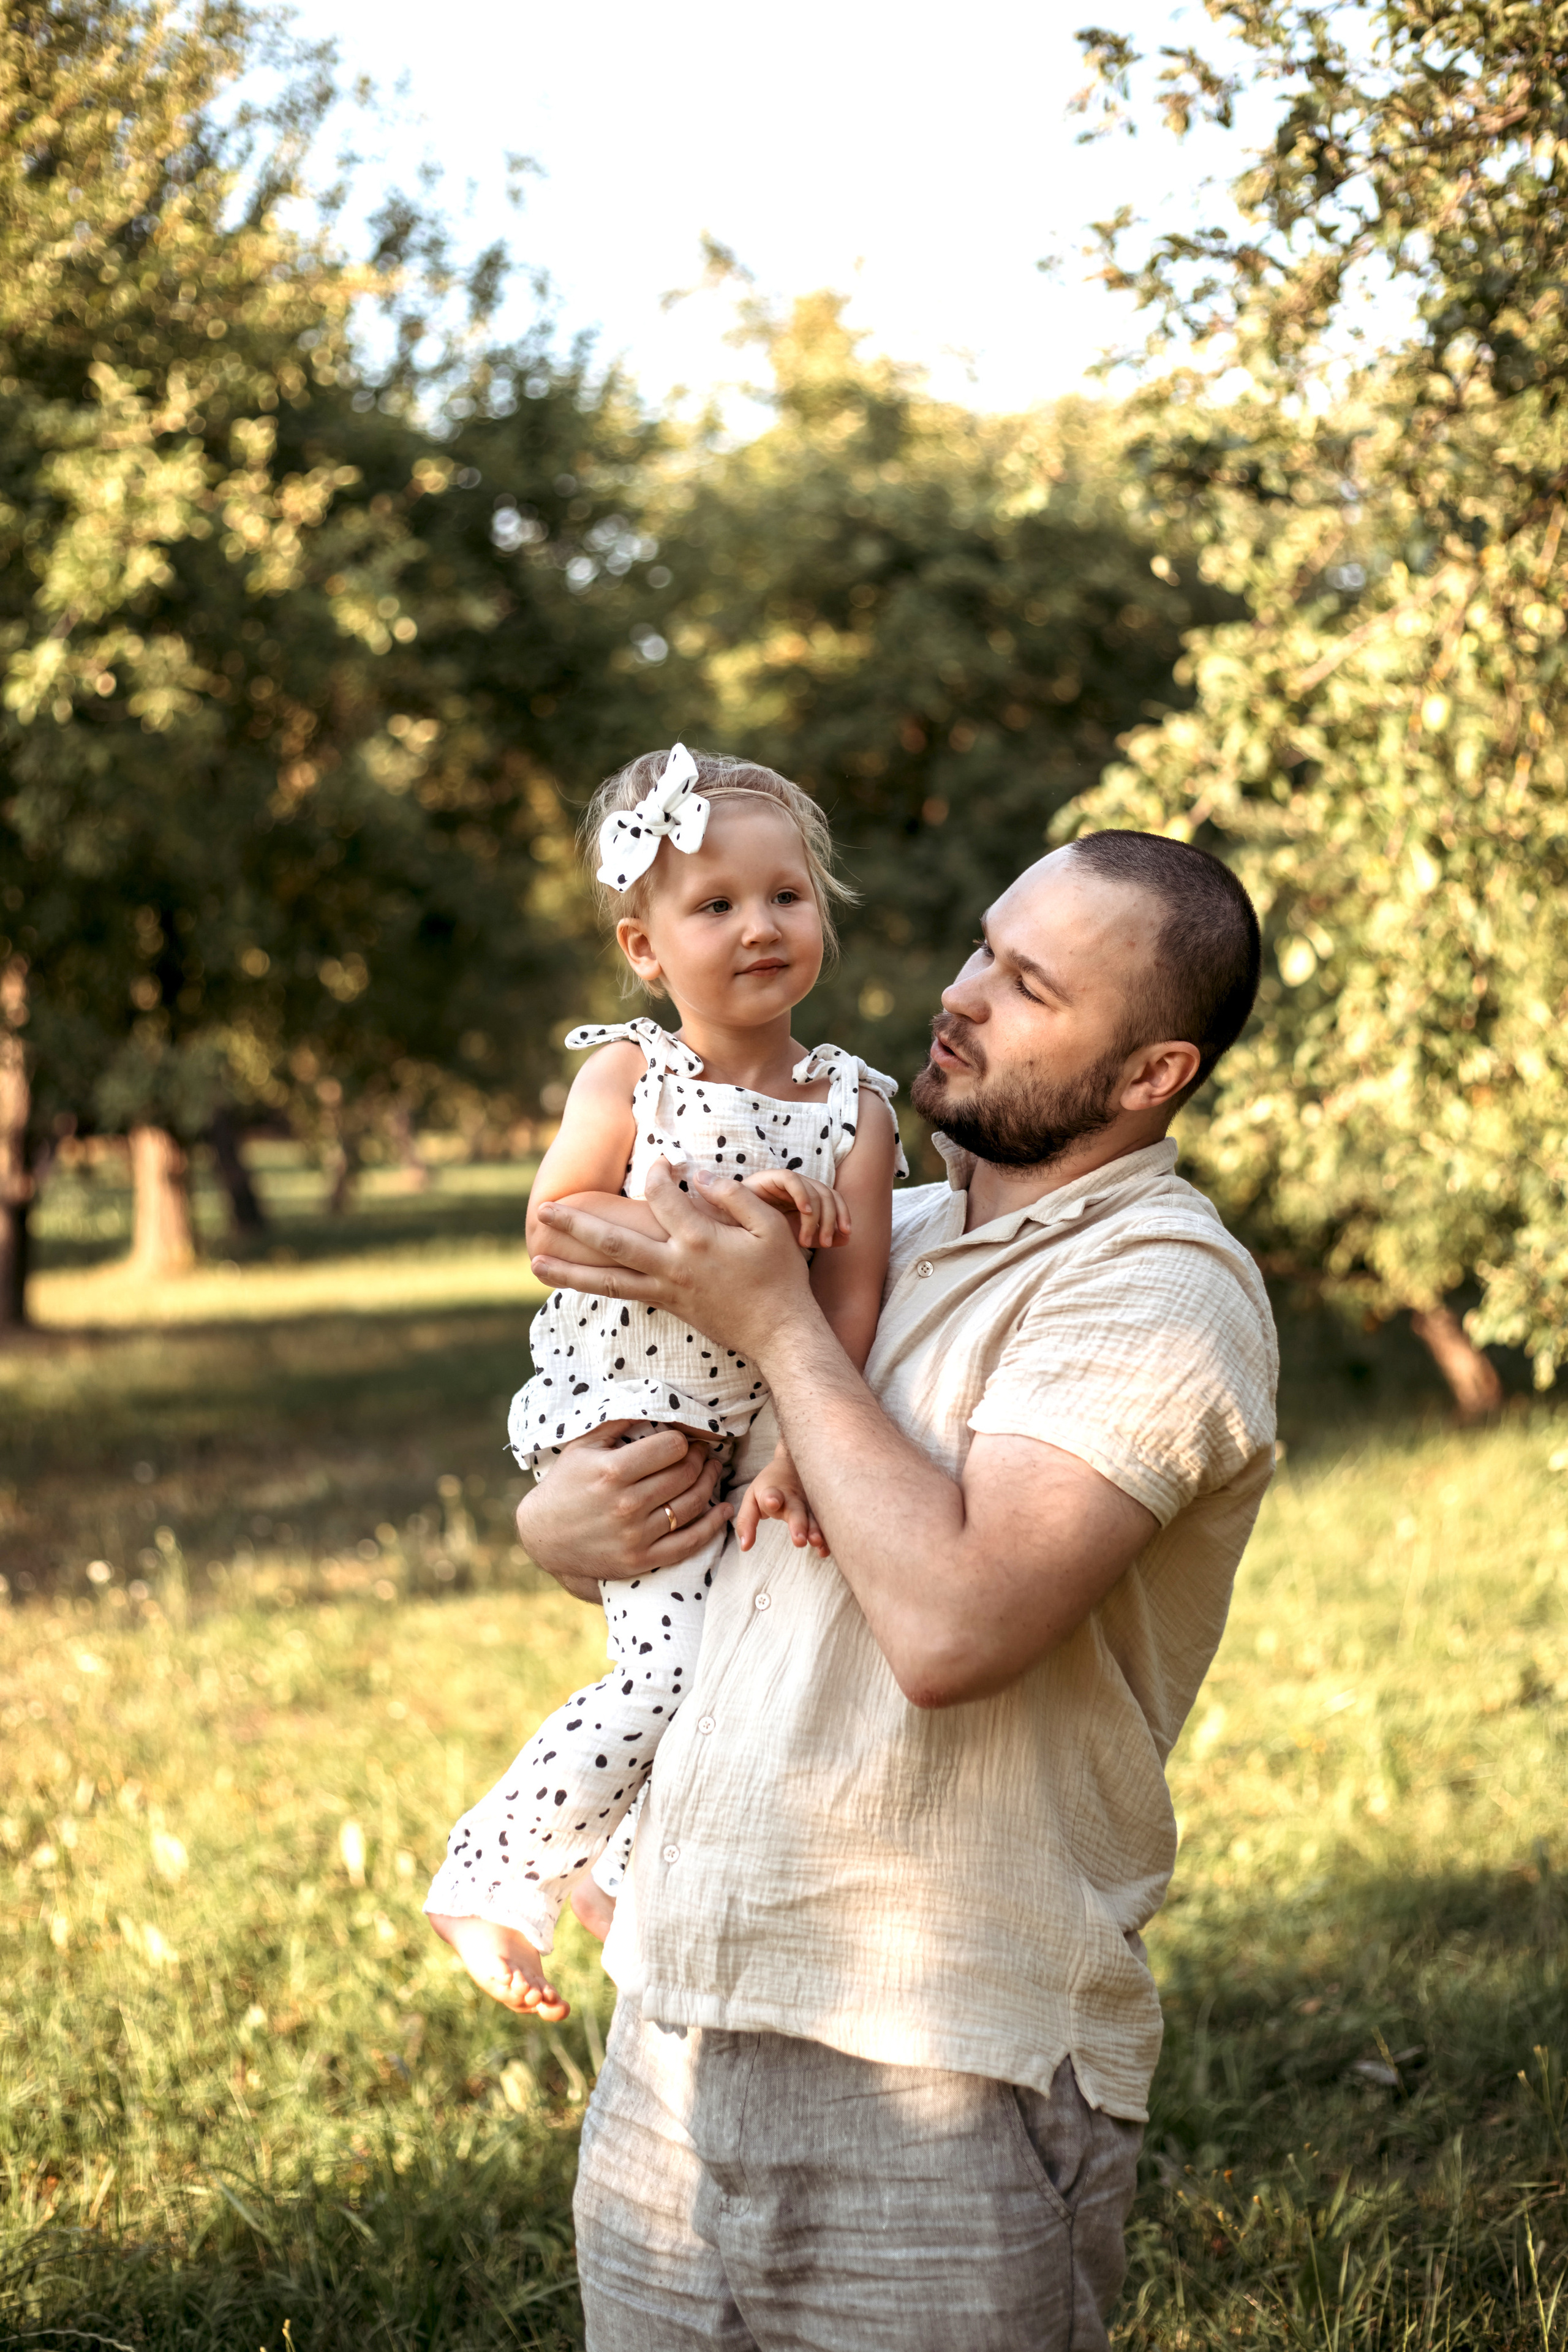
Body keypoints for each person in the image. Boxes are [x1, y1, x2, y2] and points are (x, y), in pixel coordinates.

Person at [519, 827, 1280, 2352]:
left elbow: (949, 1626)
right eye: (981, 950)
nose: (961, 995)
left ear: (1149, 1074)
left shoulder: (1157, 1288)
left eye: (1028, 986)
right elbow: (710, 1528)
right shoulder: (884, 1226)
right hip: (675, 2022)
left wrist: (785, 1333)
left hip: (936, 2067)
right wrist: (565, 1524)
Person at [424, 744, 904, 2021]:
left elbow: (849, 1307)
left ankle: (618, 1875)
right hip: (631, 1413)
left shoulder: (856, 1110)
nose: (760, 926)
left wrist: (802, 1451)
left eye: (786, 897)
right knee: (664, 1672)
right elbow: (554, 1229)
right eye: (715, 906)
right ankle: (497, 1871)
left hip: (752, 1439)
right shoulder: (633, 1078)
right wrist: (724, 1211)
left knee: (738, 1671)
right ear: (644, 950)